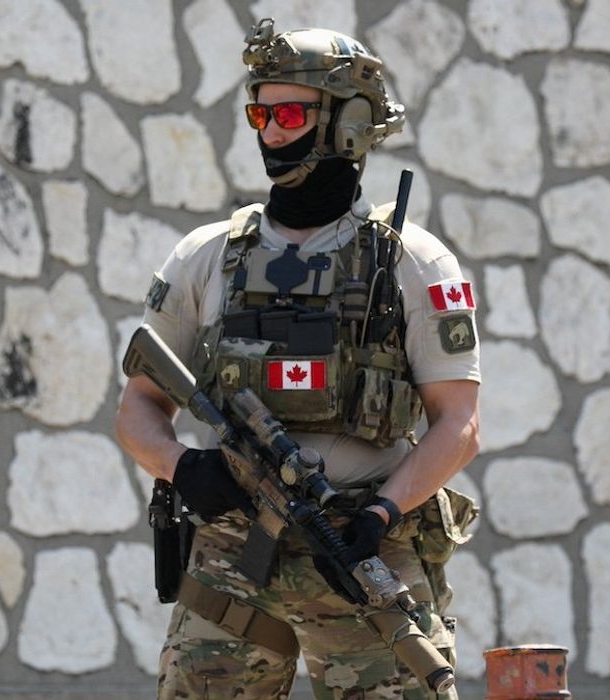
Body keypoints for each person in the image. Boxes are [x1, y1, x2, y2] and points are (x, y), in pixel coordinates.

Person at [115, 17, 481, 700]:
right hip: (233, 550)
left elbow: (458, 424)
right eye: (261, 113)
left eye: (290, 113)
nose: (272, 133)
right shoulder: (207, 256)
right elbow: (138, 405)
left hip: (360, 548)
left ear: (348, 124)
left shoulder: (410, 260)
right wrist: (182, 466)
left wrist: (381, 515)